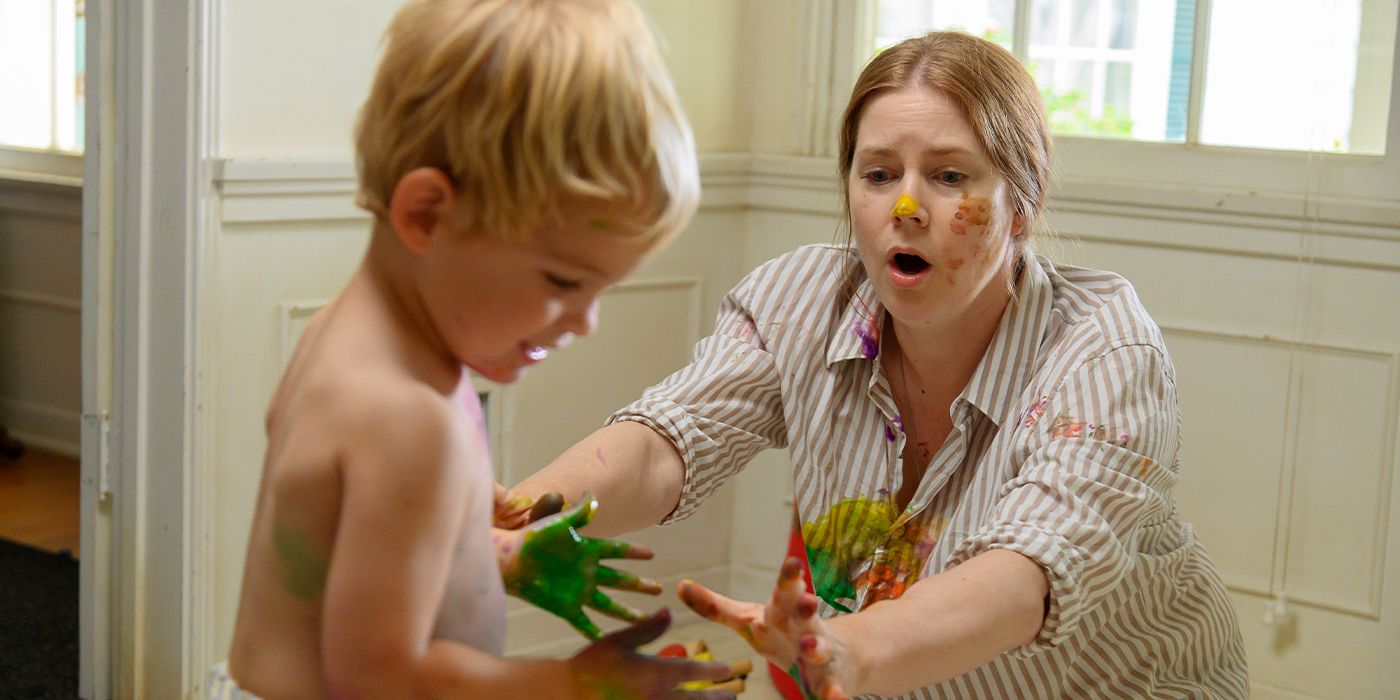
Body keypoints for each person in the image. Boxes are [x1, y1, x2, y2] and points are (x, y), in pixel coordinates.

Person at [515, 30, 1249, 699]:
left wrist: (848, 651)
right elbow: (668, 441)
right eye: (877, 174)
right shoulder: (801, 301)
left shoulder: (1104, 350)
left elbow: (1026, 577)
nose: (905, 205)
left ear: (1022, 204)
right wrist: (524, 515)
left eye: (950, 176)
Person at [215, 0, 741, 697]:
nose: (584, 323)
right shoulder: (405, 417)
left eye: (602, 290)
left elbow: (356, 540)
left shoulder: (350, 345)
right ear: (428, 214)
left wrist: (499, 552)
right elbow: (378, 677)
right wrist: (579, 687)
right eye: (563, 280)